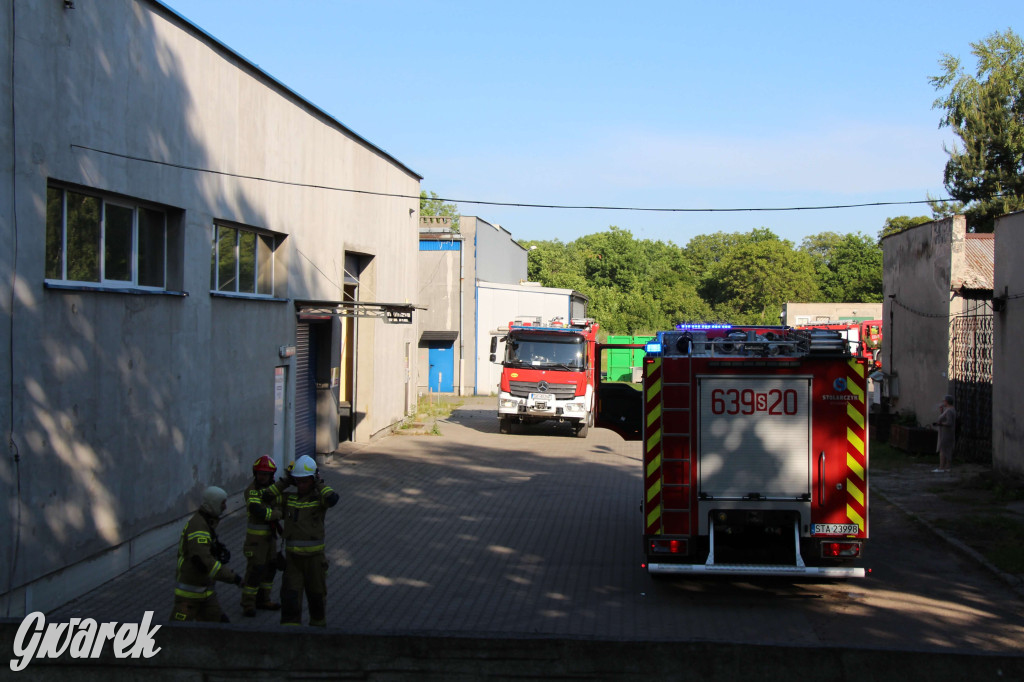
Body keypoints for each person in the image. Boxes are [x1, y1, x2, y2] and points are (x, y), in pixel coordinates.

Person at [264, 455, 339, 626]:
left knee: (317, 599)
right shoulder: (289, 499)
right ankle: (290, 638)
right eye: (298, 481)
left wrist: (319, 482)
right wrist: (285, 481)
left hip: (315, 560)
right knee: (290, 600)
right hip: (293, 562)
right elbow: (267, 497)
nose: (301, 485)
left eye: (305, 481)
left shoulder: (319, 500)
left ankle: (317, 633)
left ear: (312, 481)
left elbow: (332, 498)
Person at [170, 486, 243, 622]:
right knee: (177, 635)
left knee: (222, 628)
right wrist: (234, 578)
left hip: (205, 593)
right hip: (189, 596)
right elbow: (205, 561)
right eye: (222, 503)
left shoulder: (206, 523)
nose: (225, 507)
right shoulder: (199, 527)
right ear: (213, 503)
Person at [240, 455, 284, 616]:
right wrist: (276, 514)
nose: (262, 477)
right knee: (255, 570)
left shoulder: (273, 490)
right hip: (255, 541)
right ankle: (248, 603)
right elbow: (256, 510)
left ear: (271, 475)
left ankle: (264, 599)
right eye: (259, 473)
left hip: (270, 539)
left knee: (270, 569)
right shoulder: (251, 490)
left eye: (265, 474)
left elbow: (282, 506)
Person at [932, 394, 956, 473]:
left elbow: (949, 422)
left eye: (944, 401)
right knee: (947, 449)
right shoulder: (949, 410)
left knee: (943, 449)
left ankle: (942, 467)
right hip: (946, 432)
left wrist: (940, 424)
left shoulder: (949, 411)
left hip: (946, 432)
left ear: (947, 401)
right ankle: (947, 466)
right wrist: (941, 412)